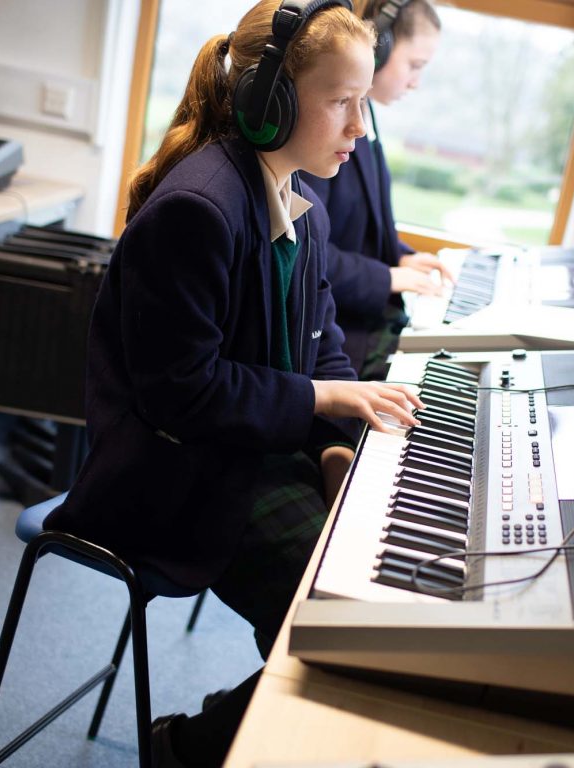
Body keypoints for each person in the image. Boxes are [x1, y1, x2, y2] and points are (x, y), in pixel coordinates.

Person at [43, 1, 423, 766]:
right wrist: (322, 404)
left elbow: (324, 357)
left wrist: (331, 453)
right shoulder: (199, 210)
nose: (359, 126)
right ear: (270, 101)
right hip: (173, 480)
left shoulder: (301, 208)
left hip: (249, 459)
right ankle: (187, 747)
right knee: (344, 625)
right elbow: (183, 391)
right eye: (341, 102)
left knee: (375, 600)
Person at [300, 0, 448, 380]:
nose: (416, 81)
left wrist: (399, 257)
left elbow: (360, 224)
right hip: (335, 335)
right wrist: (386, 278)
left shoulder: (368, 119)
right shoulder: (326, 133)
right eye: (414, 65)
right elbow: (308, 248)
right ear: (379, 48)